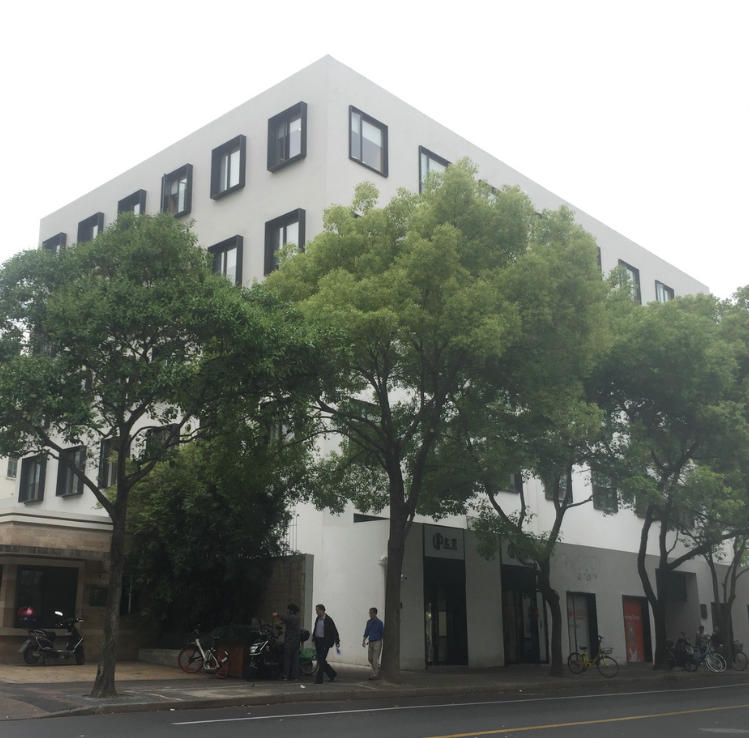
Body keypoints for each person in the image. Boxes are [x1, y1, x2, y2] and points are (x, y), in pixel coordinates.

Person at [312, 603, 340, 684]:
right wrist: (314, 637)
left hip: (325, 642)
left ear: (322, 610)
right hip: (318, 641)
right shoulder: (317, 618)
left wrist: (337, 641)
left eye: (317, 611)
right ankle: (332, 674)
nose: (316, 612)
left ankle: (319, 679)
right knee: (321, 660)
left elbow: (334, 631)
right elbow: (316, 629)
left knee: (321, 661)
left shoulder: (328, 620)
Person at [273, 603, 301, 680]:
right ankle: (295, 676)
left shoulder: (292, 617)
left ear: (291, 610)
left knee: (287, 659)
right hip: (296, 641)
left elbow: (285, 618)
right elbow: (287, 621)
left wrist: (277, 615)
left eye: (288, 609)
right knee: (295, 660)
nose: (287, 611)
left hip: (290, 641)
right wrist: (281, 622)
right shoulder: (297, 617)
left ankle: (286, 675)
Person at [362, 606, 384, 680]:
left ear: (375, 613)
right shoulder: (368, 622)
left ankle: (375, 674)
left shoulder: (380, 623)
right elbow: (366, 632)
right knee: (370, 658)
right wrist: (363, 640)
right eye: (369, 613)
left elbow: (382, 633)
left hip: (377, 642)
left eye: (371, 613)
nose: (370, 614)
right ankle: (376, 668)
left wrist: (381, 642)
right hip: (370, 642)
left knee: (375, 659)